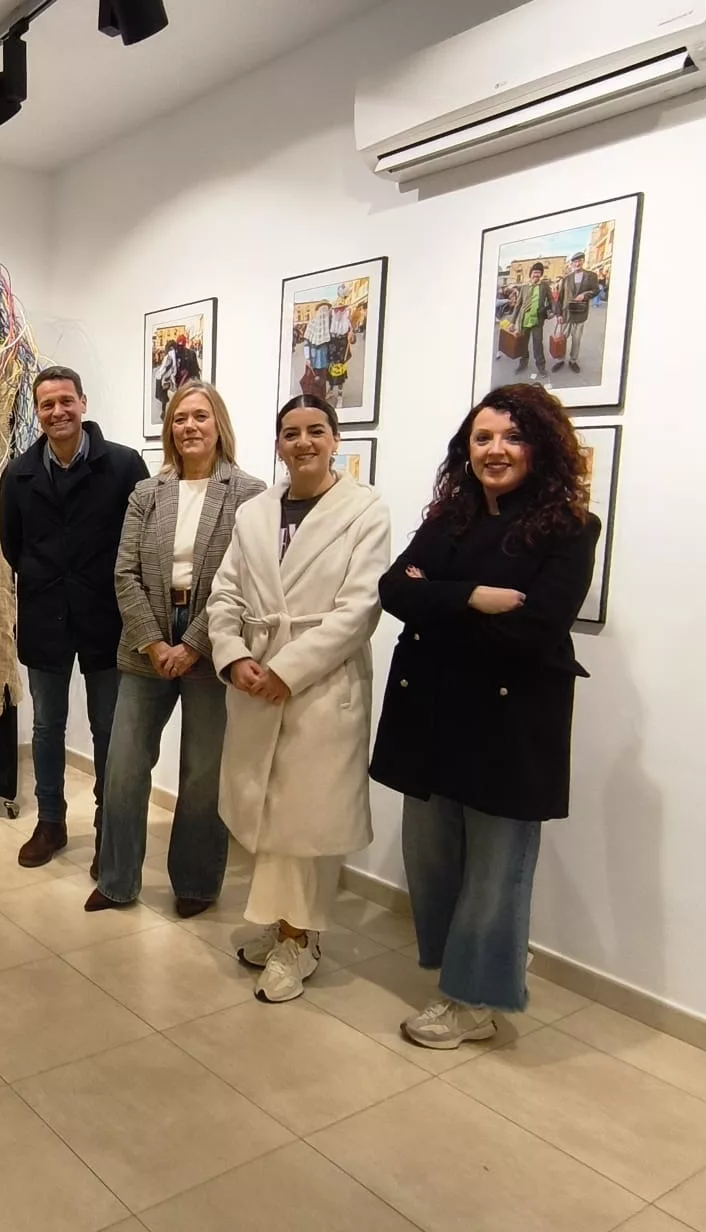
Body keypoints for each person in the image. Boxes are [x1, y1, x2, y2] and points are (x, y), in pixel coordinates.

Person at [370, 383, 600, 1048]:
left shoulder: (570, 529)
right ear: (466, 450)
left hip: (508, 724)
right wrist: (476, 595)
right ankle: (477, 968)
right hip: (432, 715)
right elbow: (392, 589)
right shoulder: (450, 519)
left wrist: (435, 600)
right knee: (432, 858)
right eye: (483, 438)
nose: (496, 450)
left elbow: (535, 628)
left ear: (541, 447)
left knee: (498, 870)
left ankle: (472, 1000)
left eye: (512, 436)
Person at [205, 394, 390, 1003]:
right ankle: (281, 926)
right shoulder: (255, 513)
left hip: (322, 685)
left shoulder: (365, 511)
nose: (303, 442)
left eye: (316, 431)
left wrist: (289, 669)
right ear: (278, 444)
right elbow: (225, 592)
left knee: (303, 824)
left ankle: (299, 939)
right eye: (291, 433)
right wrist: (234, 657)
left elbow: (359, 610)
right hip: (256, 678)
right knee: (268, 814)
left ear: (337, 439)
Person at [84, 381, 264, 915]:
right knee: (123, 767)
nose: (189, 426)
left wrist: (192, 643)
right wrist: (155, 642)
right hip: (145, 642)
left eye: (200, 417)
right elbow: (125, 573)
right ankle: (117, 879)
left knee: (203, 773)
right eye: (180, 418)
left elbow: (246, 578)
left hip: (215, 637)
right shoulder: (148, 492)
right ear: (170, 430)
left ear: (218, 425)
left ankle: (196, 884)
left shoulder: (249, 494)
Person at [0, 366, 148, 871]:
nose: (58, 412)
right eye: (47, 405)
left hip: (108, 616)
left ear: (83, 403)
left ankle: (110, 824)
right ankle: (51, 823)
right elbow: (12, 547)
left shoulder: (126, 466)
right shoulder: (17, 475)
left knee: (109, 727)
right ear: (37, 413)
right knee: (46, 727)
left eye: (66, 401)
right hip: (44, 616)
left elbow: (140, 544)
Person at [554, 252, 599, 375]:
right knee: (562, 339)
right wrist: (558, 314)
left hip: (580, 313)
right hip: (566, 314)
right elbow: (560, 297)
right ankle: (560, 360)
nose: (577, 263)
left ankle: (573, 361)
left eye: (579, 261)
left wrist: (584, 295)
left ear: (583, 261)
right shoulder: (566, 278)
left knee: (576, 340)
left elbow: (596, 290)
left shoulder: (591, 275)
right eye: (575, 262)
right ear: (572, 264)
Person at [510, 262, 555, 379]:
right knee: (523, 344)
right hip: (524, 321)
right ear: (531, 274)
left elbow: (551, 300)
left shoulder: (544, 286)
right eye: (535, 272)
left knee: (538, 345)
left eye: (539, 272)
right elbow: (518, 305)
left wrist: (552, 311)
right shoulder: (524, 287)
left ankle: (541, 367)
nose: (537, 274)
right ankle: (523, 364)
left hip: (537, 321)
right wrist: (512, 321)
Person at [302, 300, 334, 382]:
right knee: (312, 379)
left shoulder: (330, 325)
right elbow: (306, 343)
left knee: (322, 378)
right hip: (313, 357)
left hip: (324, 357)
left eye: (326, 310)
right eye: (322, 309)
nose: (324, 313)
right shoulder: (312, 323)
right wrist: (307, 358)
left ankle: (322, 394)